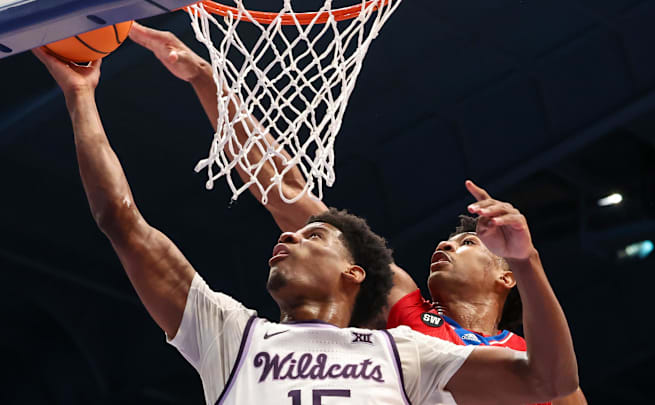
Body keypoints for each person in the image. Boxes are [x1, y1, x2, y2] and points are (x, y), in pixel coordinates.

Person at [34, 44, 579, 404]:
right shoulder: (408, 321)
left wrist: (528, 260)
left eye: (469, 241)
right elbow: (283, 191)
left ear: (507, 275)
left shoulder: (485, 354)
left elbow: (554, 384)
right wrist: (207, 81)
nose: (447, 244)